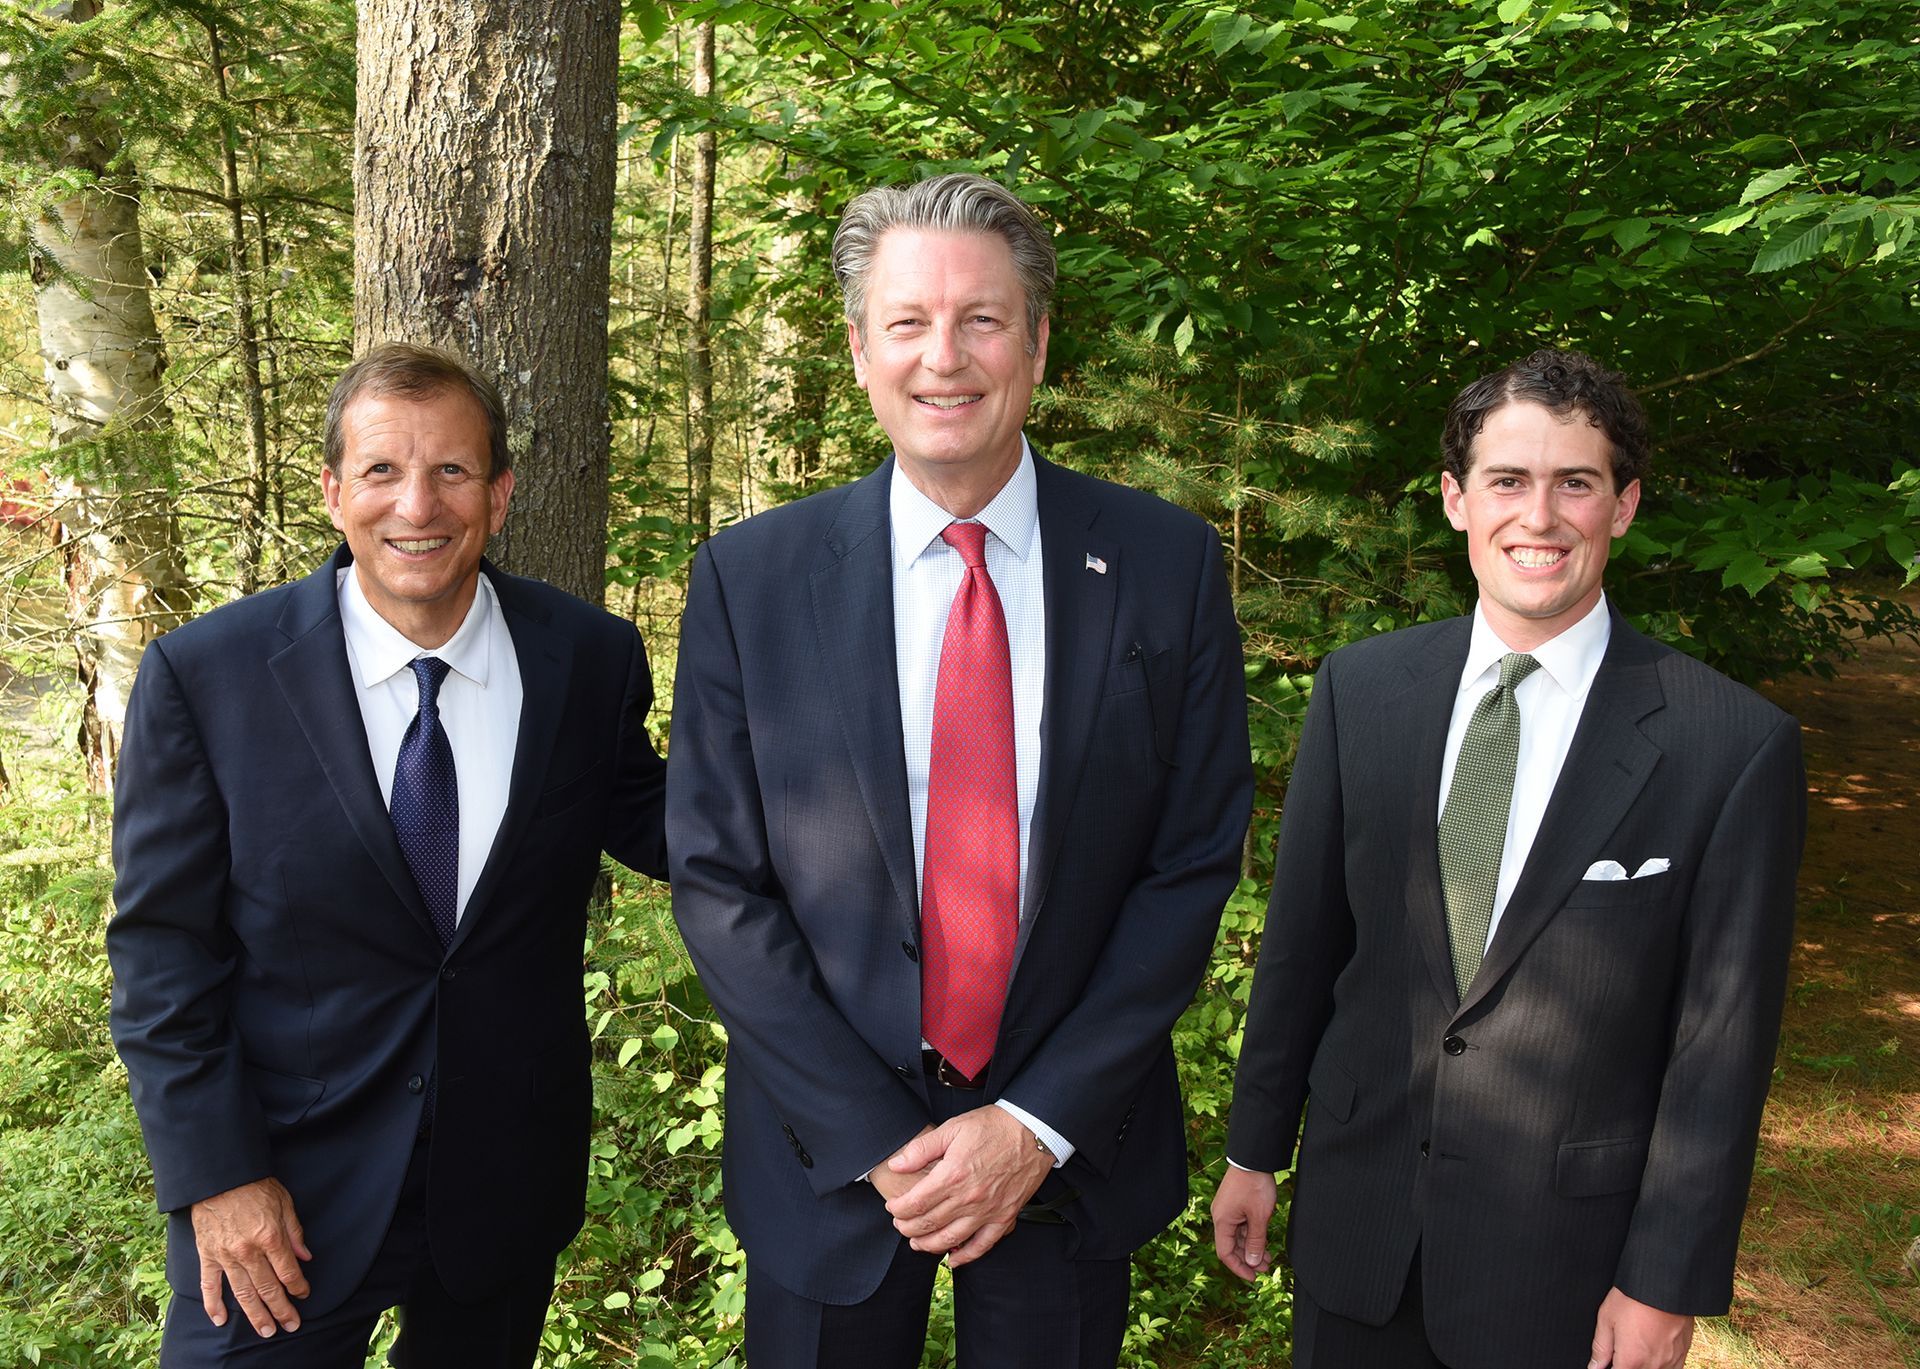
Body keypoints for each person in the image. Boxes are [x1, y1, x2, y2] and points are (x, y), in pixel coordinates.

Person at [667, 172, 1253, 1367]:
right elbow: (719, 881)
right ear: (857, 347)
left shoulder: (1164, 565)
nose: (946, 356)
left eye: (982, 318)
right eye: (909, 322)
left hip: (1067, 1146)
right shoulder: (753, 580)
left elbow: (1190, 865)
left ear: (1038, 342)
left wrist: (1034, 1125)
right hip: (829, 1162)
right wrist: (876, 1137)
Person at [1210, 348, 1805, 1369]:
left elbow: (1721, 1049)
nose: (1539, 516)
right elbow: (1305, 948)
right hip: (1361, 1238)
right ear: (1456, 500)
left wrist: (1665, 1278)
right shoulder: (1364, 692)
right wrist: (1255, 1148)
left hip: (1563, 1273)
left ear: (1622, 506)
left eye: (1576, 482)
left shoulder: (1729, 745)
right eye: (1507, 481)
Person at [107, 342, 669, 1366]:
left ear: (498, 494)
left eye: (453, 470)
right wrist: (216, 1177)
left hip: (499, 1194)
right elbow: (161, 954)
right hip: (279, 1201)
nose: (419, 503)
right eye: (381, 470)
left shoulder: (586, 660)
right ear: (332, 491)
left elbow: (676, 824)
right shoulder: (210, 677)